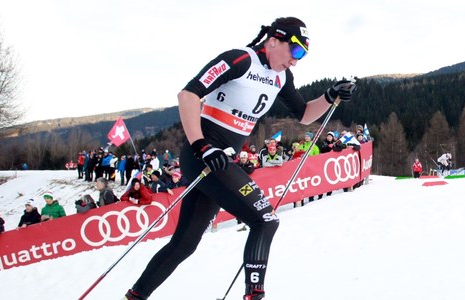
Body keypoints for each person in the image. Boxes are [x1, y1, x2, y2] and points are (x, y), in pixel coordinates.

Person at [123, 17, 357, 300]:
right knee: (265, 220)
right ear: (273, 41)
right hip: (204, 156)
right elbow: (187, 95)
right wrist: (201, 146)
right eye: (295, 51)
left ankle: (135, 296)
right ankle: (254, 296)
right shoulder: (239, 60)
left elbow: (305, 114)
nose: (297, 61)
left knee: (184, 244)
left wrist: (330, 95)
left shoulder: (281, 76)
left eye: (303, 55)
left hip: (223, 162)